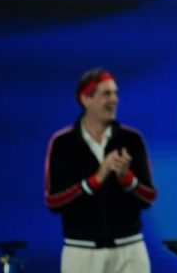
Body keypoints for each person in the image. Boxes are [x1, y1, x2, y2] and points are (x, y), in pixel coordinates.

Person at [44, 68, 156, 272]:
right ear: (86, 99)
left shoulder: (132, 140)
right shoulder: (63, 143)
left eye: (115, 93)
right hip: (81, 253)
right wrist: (96, 179)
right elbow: (54, 201)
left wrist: (127, 179)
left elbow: (149, 197)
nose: (114, 99)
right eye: (106, 93)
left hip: (130, 251)